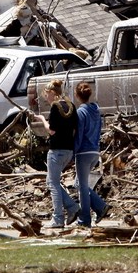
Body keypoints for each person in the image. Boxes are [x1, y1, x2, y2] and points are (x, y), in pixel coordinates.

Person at [34, 79, 80, 229]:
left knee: (52, 183)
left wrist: (42, 120)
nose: (46, 98)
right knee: (52, 181)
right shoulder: (71, 106)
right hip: (68, 149)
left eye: (46, 94)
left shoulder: (55, 107)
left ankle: (58, 218)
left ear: (53, 93)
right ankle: (73, 208)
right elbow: (74, 129)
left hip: (56, 149)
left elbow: (51, 130)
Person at [73, 81, 111, 227]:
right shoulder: (96, 110)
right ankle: (100, 207)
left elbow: (79, 134)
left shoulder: (80, 112)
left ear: (77, 95)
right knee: (79, 183)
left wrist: (73, 152)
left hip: (83, 152)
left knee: (81, 186)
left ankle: (84, 219)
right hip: (95, 151)